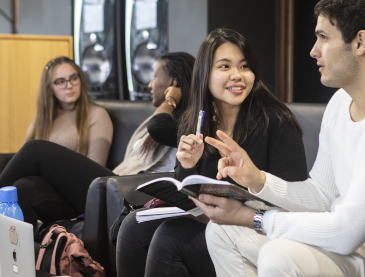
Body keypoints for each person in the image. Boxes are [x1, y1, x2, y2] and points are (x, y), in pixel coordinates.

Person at [191, 0, 365, 277]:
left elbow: (346, 231)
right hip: (359, 250)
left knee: (280, 255)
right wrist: (257, 179)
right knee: (223, 233)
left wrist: (254, 217)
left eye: (323, 37)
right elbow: (322, 195)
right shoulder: (342, 101)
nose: (313, 50)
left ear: (360, 42)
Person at [0, 53, 195, 264]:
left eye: (155, 77)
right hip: (109, 187)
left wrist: (171, 100)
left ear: (173, 84)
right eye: (60, 81)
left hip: (121, 193)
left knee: (35, 150)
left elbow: (158, 127)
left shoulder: (186, 122)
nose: (149, 84)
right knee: (19, 187)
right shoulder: (159, 117)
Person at [116, 28, 308, 277]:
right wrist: (187, 165)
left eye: (244, 66)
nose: (237, 75)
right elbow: (188, 192)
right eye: (225, 67)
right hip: (210, 222)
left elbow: (295, 200)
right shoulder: (196, 121)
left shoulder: (276, 121)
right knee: (134, 226)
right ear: (204, 74)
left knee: (170, 238)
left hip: (257, 233)